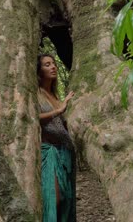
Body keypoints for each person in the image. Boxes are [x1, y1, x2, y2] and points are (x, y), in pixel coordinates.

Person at [37, 54, 76, 222]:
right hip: (48, 151)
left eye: (53, 63)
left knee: (67, 199)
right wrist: (59, 110)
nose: (53, 67)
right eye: (47, 64)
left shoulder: (55, 95)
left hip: (65, 151)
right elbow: (33, 117)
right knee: (55, 198)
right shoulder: (35, 93)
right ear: (39, 71)